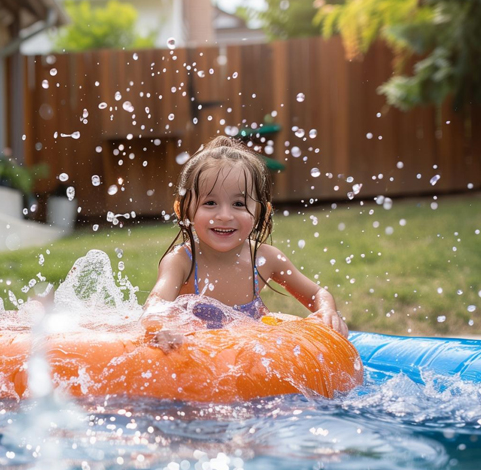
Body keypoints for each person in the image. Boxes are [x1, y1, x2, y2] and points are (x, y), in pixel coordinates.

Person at [144, 136, 347, 352]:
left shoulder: (266, 259)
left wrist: (327, 311)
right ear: (183, 210)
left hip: (248, 360)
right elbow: (155, 304)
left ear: (263, 212)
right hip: (198, 360)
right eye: (210, 203)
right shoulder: (181, 262)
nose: (224, 215)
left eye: (239, 204)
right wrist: (162, 327)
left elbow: (317, 294)